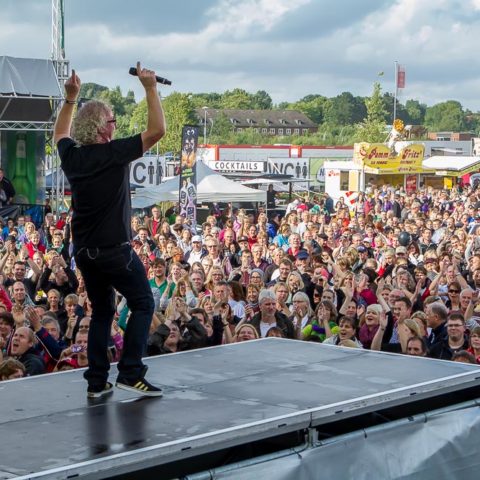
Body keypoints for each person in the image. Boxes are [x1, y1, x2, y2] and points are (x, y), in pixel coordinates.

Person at [54, 63, 165, 398]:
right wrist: (150, 88)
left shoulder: (73, 156)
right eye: (114, 121)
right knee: (144, 302)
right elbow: (157, 130)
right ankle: (131, 371)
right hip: (114, 250)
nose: (117, 126)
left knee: (102, 310)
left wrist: (70, 98)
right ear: (103, 129)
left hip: (85, 251)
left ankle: (97, 381)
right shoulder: (113, 154)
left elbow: (59, 134)